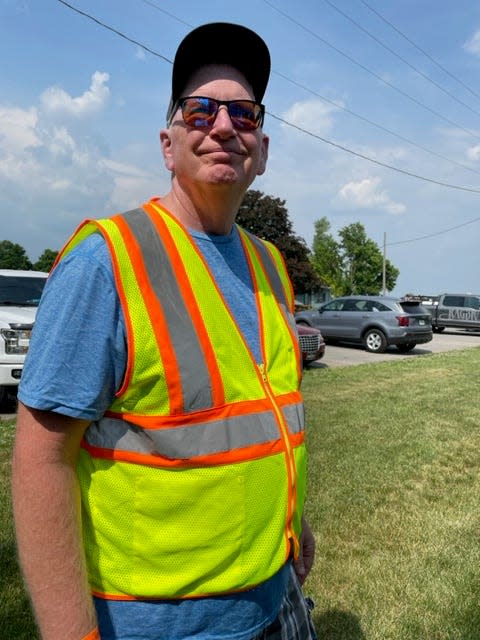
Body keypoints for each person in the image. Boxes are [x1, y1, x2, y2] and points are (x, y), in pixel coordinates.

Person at [12, 22, 317, 640]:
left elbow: (263, 415)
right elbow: (41, 460)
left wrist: (291, 518)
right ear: (167, 142)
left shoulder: (270, 266)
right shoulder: (106, 261)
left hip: (275, 600)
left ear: (262, 146)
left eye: (244, 113)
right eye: (200, 110)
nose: (224, 126)